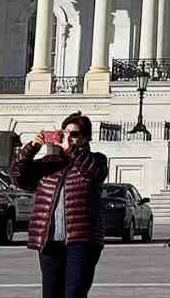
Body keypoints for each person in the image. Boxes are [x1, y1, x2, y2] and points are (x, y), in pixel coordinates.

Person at [12, 112, 109, 298]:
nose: (69, 137)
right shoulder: (50, 163)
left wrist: (72, 151)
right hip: (49, 240)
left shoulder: (97, 160)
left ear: (86, 137)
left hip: (82, 240)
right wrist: (32, 148)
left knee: (74, 292)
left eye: (74, 134)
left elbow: (95, 175)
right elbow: (18, 176)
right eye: (65, 133)